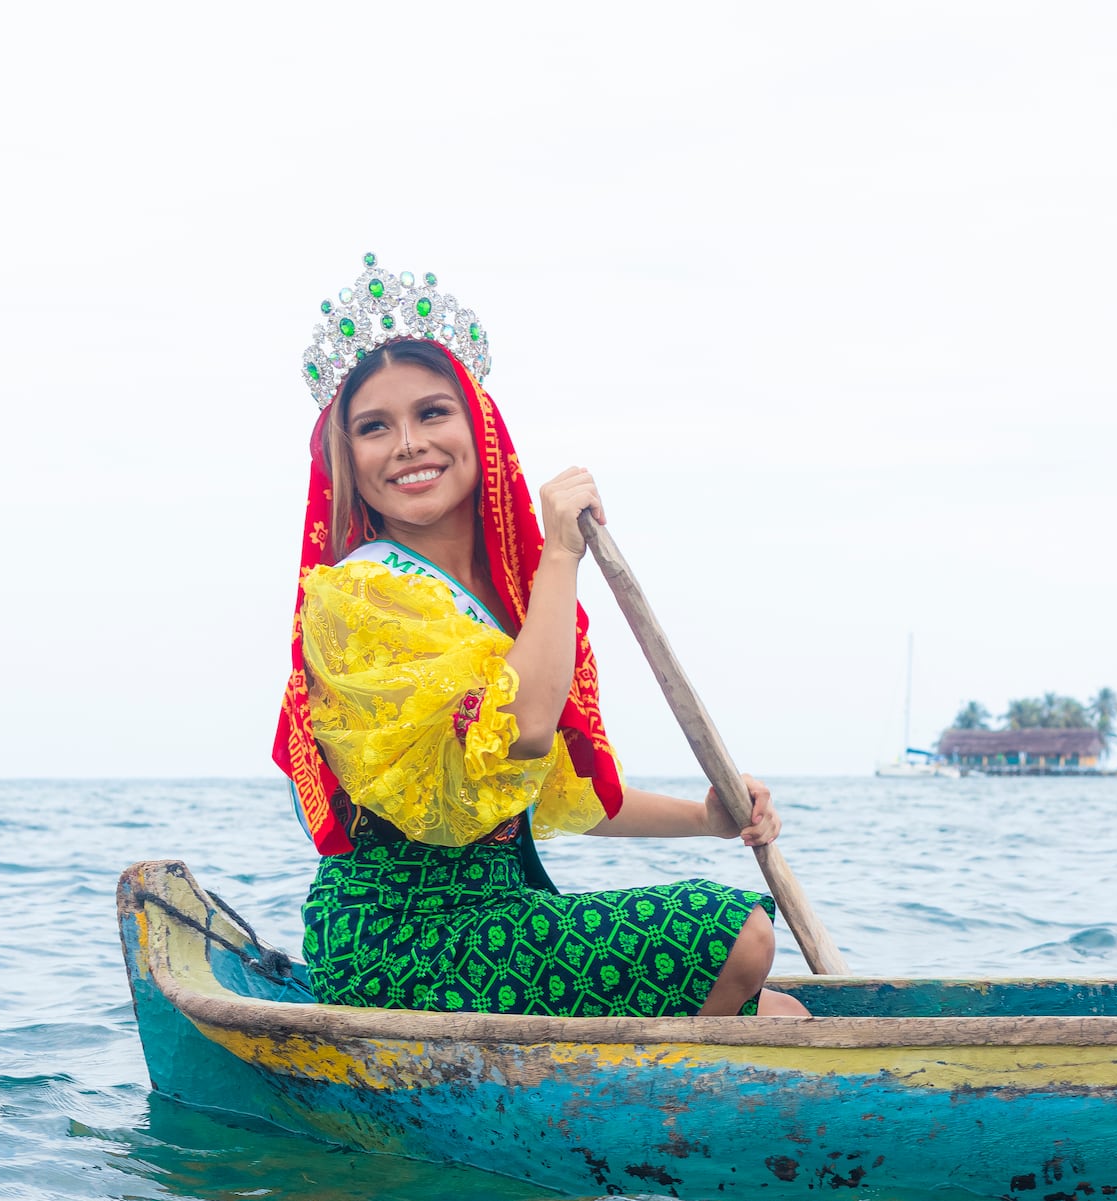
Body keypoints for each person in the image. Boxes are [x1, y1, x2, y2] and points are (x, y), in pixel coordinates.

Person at [274, 256, 808, 1020]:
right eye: (373, 427)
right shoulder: (364, 594)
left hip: (498, 914)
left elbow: (555, 791)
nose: (407, 444)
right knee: (738, 936)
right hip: (402, 936)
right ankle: (640, 1114)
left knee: (785, 1018)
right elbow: (522, 733)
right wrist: (562, 555)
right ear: (346, 460)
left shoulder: (507, 605)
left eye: (432, 414)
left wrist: (707, 821)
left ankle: (629, 1100)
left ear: (477, 428)